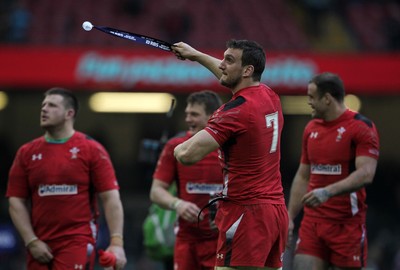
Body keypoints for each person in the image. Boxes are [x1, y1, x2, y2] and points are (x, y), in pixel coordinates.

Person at [172, 40, 288, 270]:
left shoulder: (234, 112)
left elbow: (186, 154)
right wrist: (196, 55)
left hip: (246, 214)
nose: (222, 65)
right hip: (275, 211)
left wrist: (175, 146)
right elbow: (231, 75)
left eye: (229, 60)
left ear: (247, 70)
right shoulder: (269, 95)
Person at [6, 87, 127, 270]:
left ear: (69, 113)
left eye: (52, 105)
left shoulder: (92, 149)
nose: (44, 109)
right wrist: (31, 241)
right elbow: (15, 201)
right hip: (39, 244)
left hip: (77, 240)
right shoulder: (26, 153)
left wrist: (116, 243)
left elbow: (110, 198)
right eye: (43, 105)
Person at [287, 72, 380, 270]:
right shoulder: (311, 128)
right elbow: (303, 175)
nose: (309, 102)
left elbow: (366, 173)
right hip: (312, 223)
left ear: (327, 98)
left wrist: (327, 191)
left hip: (346, 225)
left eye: (312, 97)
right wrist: (289, 217)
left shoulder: (361, 127)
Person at [150, 90, 224, 270]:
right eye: (187, 114)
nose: (188, 119)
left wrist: (226, 215)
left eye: (195, 115)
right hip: (186, 240)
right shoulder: (175, 147)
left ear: (212, 116)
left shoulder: (230, 147)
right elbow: (156, 191)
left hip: (222, 240)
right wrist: (178, 204)